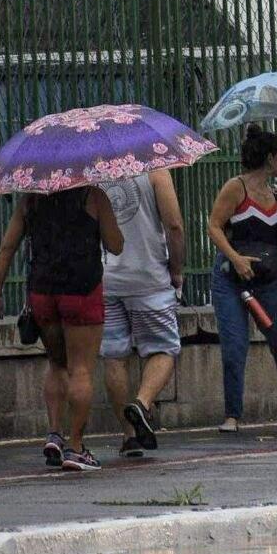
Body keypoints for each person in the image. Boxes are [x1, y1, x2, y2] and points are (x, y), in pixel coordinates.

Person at [0, 187, 123, 471]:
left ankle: (54, 434)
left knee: (56, 363)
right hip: (82, 290)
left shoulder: (31, 199)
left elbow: (6, 248)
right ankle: (76, 448)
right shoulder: (93, 196)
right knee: (81, 369)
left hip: (43, 293)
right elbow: (116, 245)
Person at [208, 124, 277, 433]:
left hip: (267, 276)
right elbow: (214, 226)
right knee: (235, 345)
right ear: (269, 158)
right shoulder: (236, 187)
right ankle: (232, 415)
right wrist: (235, 258)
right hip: (232, 278)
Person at [99, 170, 186, 458]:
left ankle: (130, 436)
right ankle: (142, 402)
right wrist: (176, 269)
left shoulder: (93, 169)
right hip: (149, 278)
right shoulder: (156, 169)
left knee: (114, 356)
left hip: (106, 278)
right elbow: (174, 225)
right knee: (164, 349)